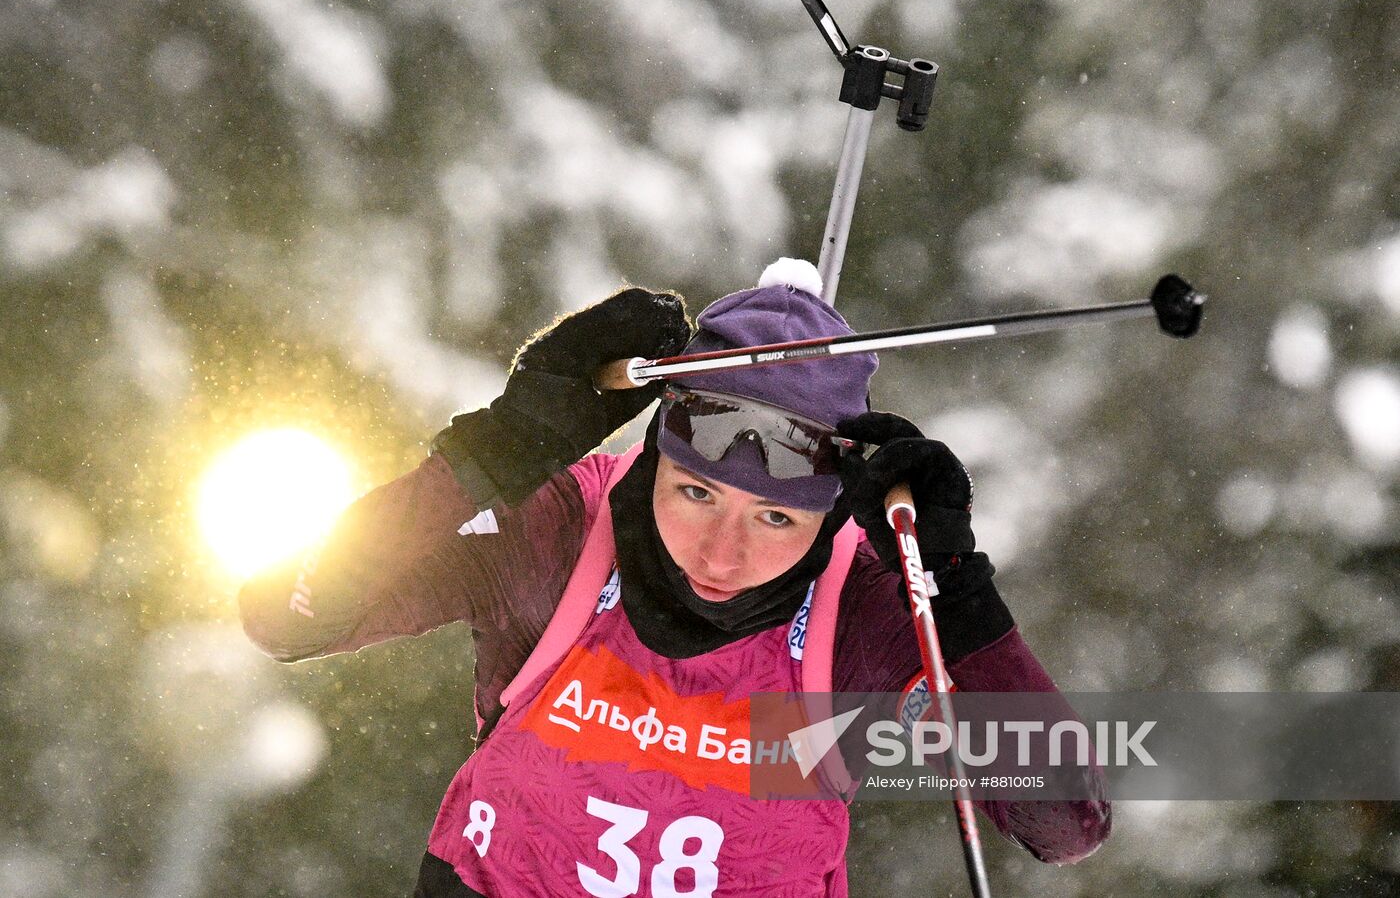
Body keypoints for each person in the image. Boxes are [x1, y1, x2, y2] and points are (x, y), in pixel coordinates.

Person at [239, 259, 1110, 897]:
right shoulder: (557, 534)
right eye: (696, 492)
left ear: (831, 513)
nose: (721, 554)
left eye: (776, 518)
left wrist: (953, 591)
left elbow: (1065, 823)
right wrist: (485, 457)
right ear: (654, 455)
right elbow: (289, 613)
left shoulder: (861, 613)